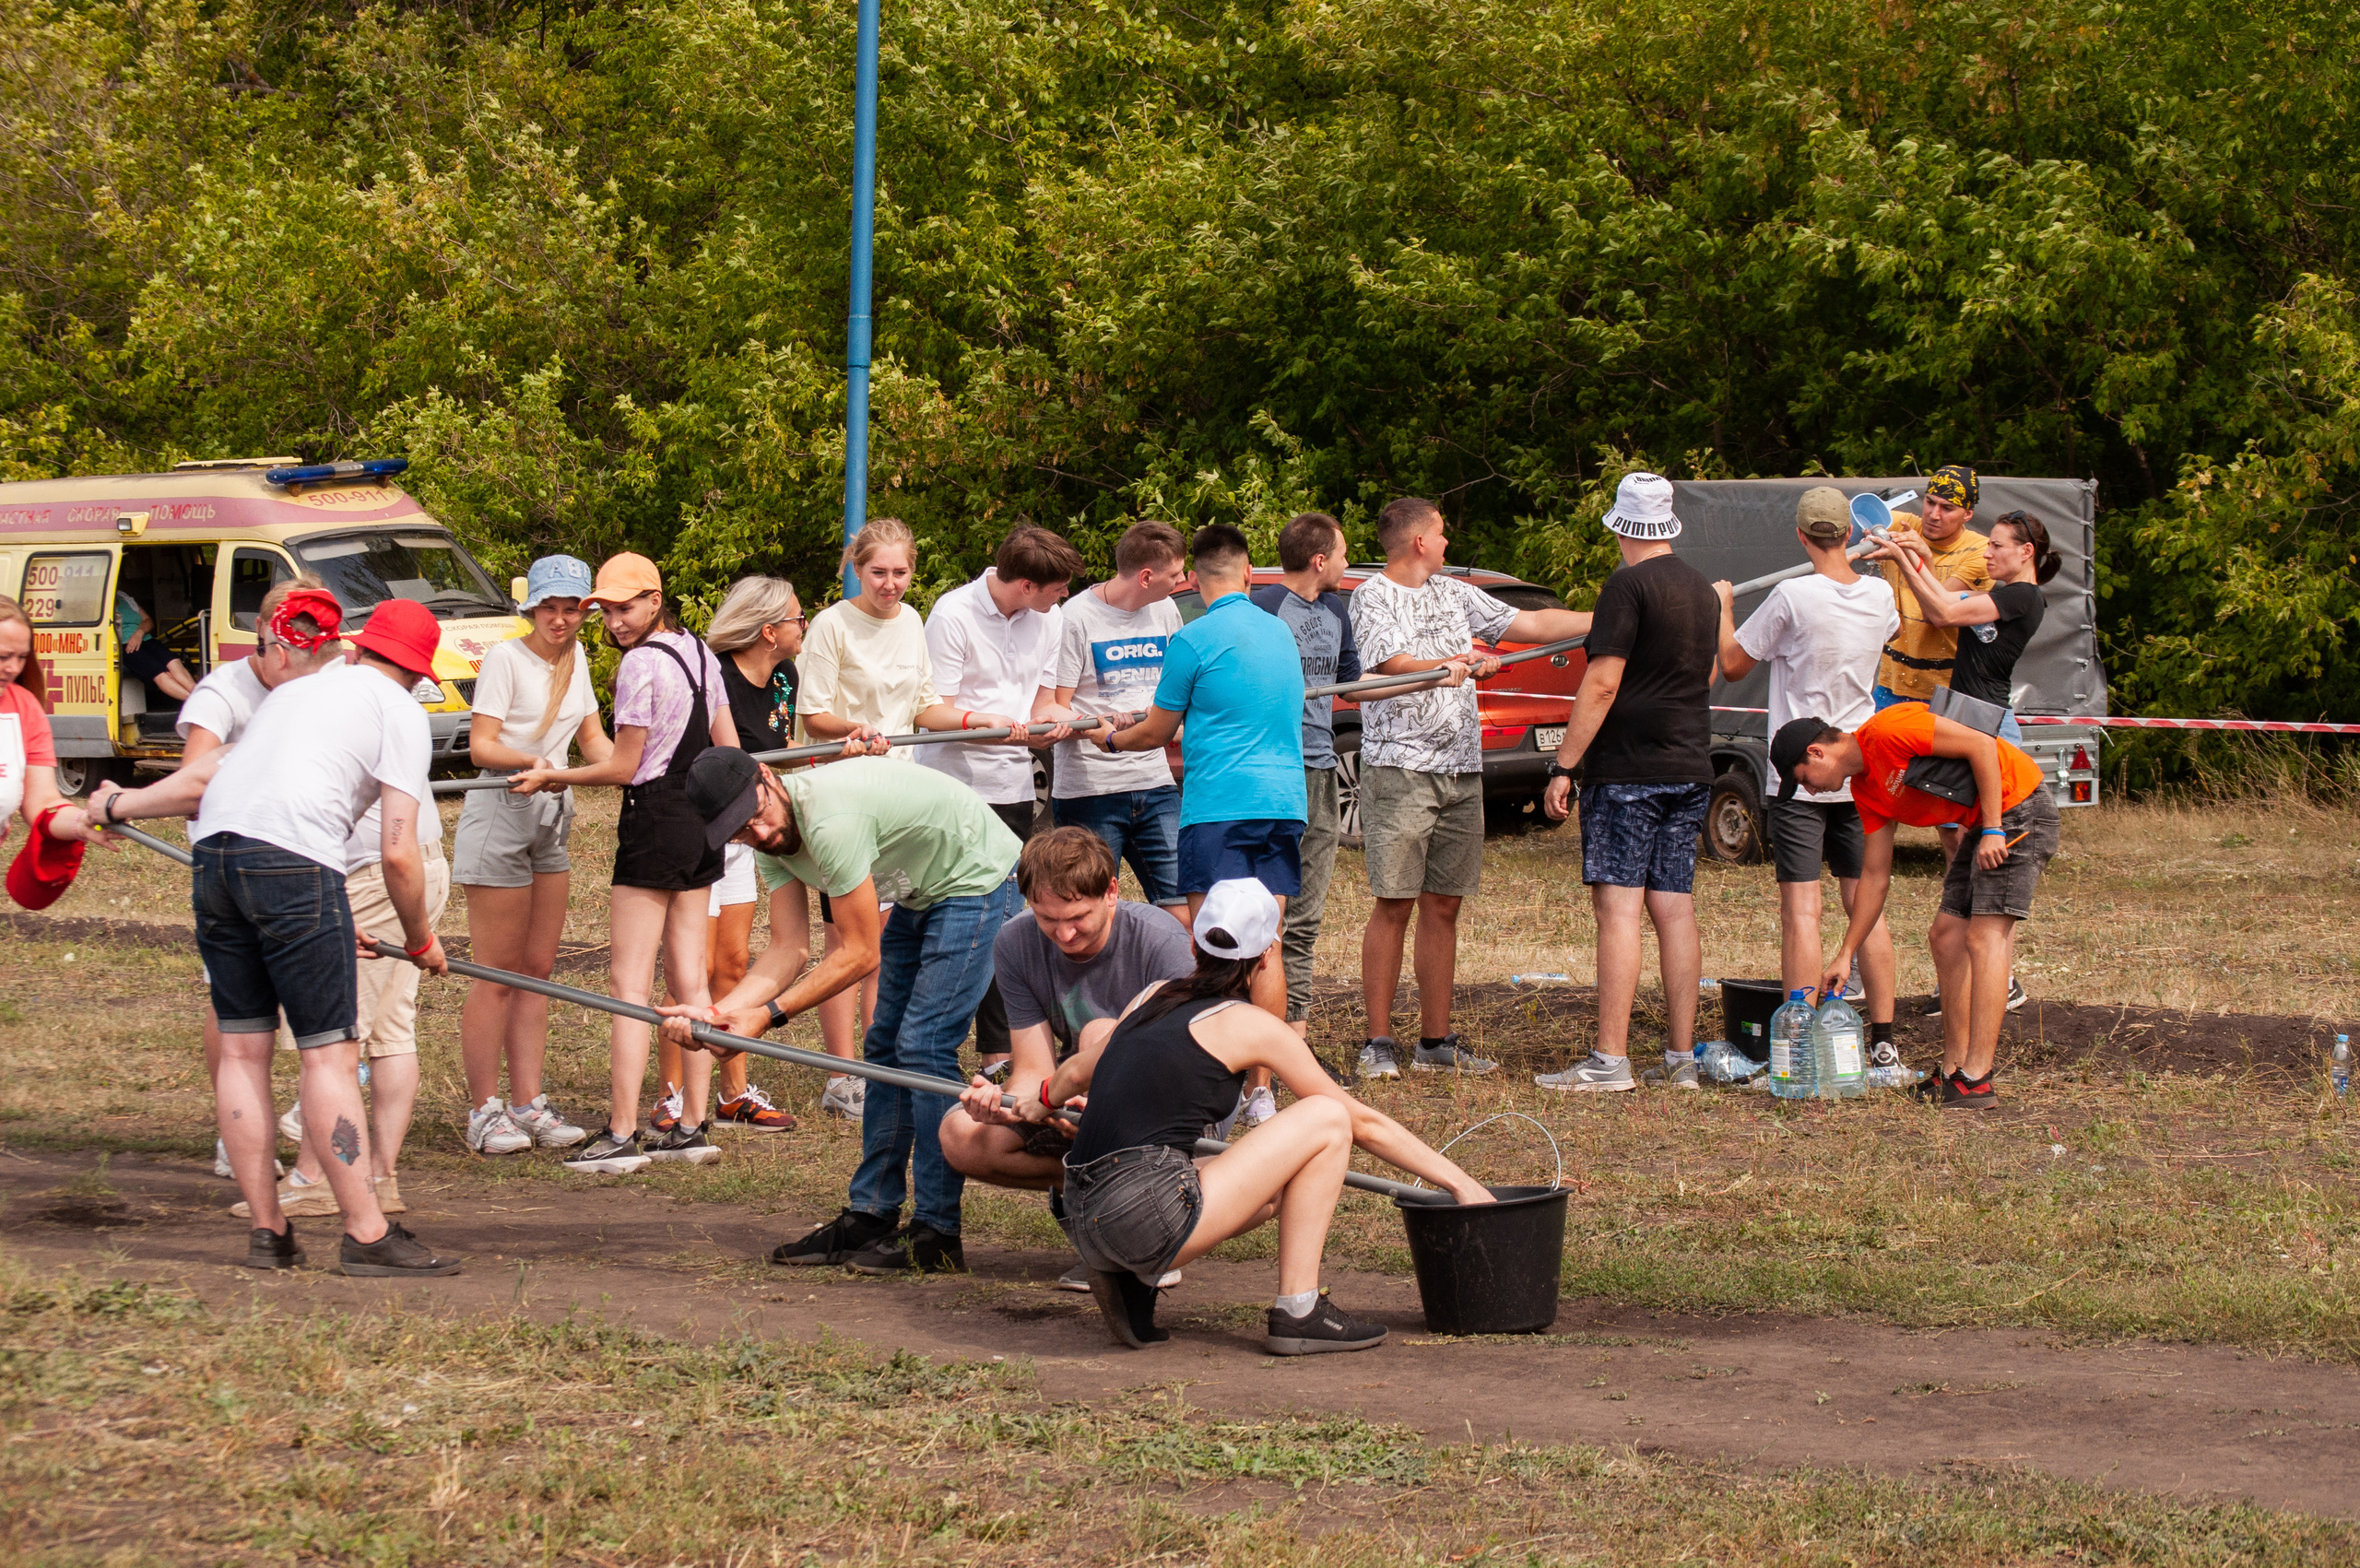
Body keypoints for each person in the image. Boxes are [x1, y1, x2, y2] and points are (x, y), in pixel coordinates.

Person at [1044, 878, 1493, 1353]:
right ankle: (1299, 1310)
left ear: (1194, 943)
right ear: (1266, 956)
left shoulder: (1152, 995)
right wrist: (1460, 1183)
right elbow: (1362, 1123)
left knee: (1278, 1184)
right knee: (1327, 1117)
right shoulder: (1250, 1024)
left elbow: (1074, 1072)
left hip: (1082, 1210)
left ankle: (1130, 1279)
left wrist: (1040, 1097)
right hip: (1140, 1212)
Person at [182, 595, 460, 1276]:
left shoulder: (294, 693)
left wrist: (112, 803)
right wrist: (422, 940)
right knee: (327, 1057)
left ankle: (267, 1232)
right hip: (293, 864)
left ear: (359, 648)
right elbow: (398, 852)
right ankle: (366, 1233)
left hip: (217, 857)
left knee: (244, 1053)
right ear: (420, 675)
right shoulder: (400, 712)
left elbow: (216, 782)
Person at [669, 749, 1024, 1274]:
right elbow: (789, 948)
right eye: (739, 832)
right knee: (883, 1047)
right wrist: (715, 1014)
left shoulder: (830, 819)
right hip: (923, 890)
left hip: (978, 876)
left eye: (756, 817)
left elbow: (860, 952)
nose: (759, 835)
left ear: (768, 777)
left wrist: (768, 1015)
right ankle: (872, 1215)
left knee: (923, 1047)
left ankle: (937, 1232)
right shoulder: (770, 840)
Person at [75, 579, 342, 1185]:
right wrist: (128, 804)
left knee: (312, 1014)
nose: (304, 657)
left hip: (307, 859)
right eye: (293, 642)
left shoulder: (322, 678)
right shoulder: (224, 689)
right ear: (269, 638)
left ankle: (307, 1134)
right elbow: (197, 777)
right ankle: (239, 1138)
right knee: (242, 1011)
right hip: (231, 861)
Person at [1348, 497, 1591, 1079]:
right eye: (1440, 534)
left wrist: (1610, 616)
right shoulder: (1373, 595)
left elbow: (1528, 625)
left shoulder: (1454, 592)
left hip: (1462, 768)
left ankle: (1436, 1042)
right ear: (1417, 542)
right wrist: (1451, 661)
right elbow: (1390, 663)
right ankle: (1378, 1042)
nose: (1447, 543)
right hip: (1401, 769)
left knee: (1444, 904)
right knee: (1395, 902)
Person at [793, 518, 1027, 1120]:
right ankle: (842, 1074)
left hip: (898, 797)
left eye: (900, 572)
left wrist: (979, 719)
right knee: (847, 936)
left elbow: (925, 706)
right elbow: (813, 712)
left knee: (889, 935)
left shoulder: (914, 621)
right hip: (839, 793)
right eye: (879, 572)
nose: (891, 583)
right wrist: (854, 731)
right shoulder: (831, 625)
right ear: (857, 568)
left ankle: (883, 1063)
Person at [512, 553, 736, 1175]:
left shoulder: (639, 665)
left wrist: (554, 773)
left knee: (629, 985)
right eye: (605, 610)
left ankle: (621, 1131)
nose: (614, 621)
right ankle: (692, 1122)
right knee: (690, 981)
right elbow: (730, 749)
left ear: (655, 596)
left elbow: (623, 766)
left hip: (656, 815)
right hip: (702, 818)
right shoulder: (698, 650)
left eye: (625, 606)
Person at [1102, 525, 1305, 1125]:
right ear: (1248, 573)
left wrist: (1109, 737)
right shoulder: (1282, 633)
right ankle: (1260, 1091)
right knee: (1265, 943)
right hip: (1283, 803)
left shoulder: (1190, 639)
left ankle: (1214, 1078)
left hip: (1217, 807)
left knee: (1213, 944)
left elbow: (1156, 731)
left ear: (1193, 580)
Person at [941, 827, 1195, 1288]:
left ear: (1112, 891)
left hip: (1171, 1111)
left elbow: (1188, 1069)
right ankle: (1107, 1208)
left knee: (1099, 1035)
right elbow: (1034, 1069)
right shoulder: (1015, 942)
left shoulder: (1163, 942)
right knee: (959, 1131)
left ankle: (1139, 1229)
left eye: (1077, 916)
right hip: (1081, 1102)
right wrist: (1000, 1108)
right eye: (1046, 919)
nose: (1064, 933)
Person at [1776, 702, 2060, 1109]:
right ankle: (1952, 1069)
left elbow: (1981, 746)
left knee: (1984, 937)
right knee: (1945, 937)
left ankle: (1977, 1076)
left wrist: (1995, 828)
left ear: (1817, 752)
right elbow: (1874, 877)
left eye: (1802, 779)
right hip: (1982, 823)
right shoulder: (1865, 790)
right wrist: (1846, 953)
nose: (1809, 790)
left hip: (2018, 809)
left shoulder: (1888, 729)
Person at [1536, 473, 1719, 1093]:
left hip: (1630, 770)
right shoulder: (1702, 589)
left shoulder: (1626, 585)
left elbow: (1602, 682)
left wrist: (1565, 763)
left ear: (1618, 526)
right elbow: (1707, 677)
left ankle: (1609, 1060)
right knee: (1674, 906)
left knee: (1617, 906)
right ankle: (1681, 1057)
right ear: (1670, 525)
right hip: (1690, 763)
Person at [1711, 487, 1903, 1071]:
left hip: (1797, 771)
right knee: (1863, 904)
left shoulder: (1790, 595)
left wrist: (1723, 608)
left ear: (1799, 537)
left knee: (1802, 908)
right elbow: (1887, 634)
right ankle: (1884, 1041)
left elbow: (1734, 662)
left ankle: (1798, 1039)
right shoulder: (1880, 595)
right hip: (1857, 765)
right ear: (1847, 534)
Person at [452, 555, 608, 1157]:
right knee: (497, 970)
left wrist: (636, 760)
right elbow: (480, 746)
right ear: (532, 608)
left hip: (553, 815)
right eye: (552, 607)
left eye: (572, 609)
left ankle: (528, 1102)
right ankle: (484, 1110)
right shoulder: (505, 658)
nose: (562, 619)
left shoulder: (577, 660)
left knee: (538, 967)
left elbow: (593, 739)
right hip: (504, 809)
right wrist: (534, 765)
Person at [919, 525, 1085, 1081]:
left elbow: (1042, 698)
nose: (1062, 599)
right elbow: (930, 711)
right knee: (961, 924)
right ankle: (938, 1043)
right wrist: (980, 722)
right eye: (1056, 589)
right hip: (952, 789)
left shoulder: (1050, 618)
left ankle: (1000, 1052)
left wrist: (1050, 723)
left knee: (1014, 923)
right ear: (1023, 584)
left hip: (1015, 785)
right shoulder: (952, 614)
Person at [690, 574, 808, 1134]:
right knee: (694, 966)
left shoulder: (785, 674)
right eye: (796, 619)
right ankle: (674, 1096)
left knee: (734, 964)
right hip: (707, 832)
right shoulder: (715, 677)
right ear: (768, 630)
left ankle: (732, 1094)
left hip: (752, 831)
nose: (803, 627)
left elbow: (781, 750)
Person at [1250, 513, 1362, 1057]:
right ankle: (1250, 1040)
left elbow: (1354, 687)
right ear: (1320, 559)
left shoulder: (1336, 609)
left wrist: (1444, 669)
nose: (1346, 562)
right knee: (1263, 911)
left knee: (1306, 912)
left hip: (1320, 770)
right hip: (1272, 773)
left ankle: (1295, 1040)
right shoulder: (1263, 608)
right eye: (1342, 553)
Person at [1049, 520, 1191, 919]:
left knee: (1184, 911)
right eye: (1175, 574)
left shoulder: (1165, 612)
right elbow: (1054, 706)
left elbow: (1173, 691)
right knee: (1089, 914)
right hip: (1089, 792)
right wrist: (1096, 725)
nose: (1181, 581)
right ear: (1146, 577)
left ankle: (1172, 984)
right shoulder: (1074, 617)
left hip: (1155, 783)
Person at [1872, 510, 2060, 744]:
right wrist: (1914, 554)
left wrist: (1900, 560)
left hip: (1987, 719)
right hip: (1971, 715)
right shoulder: (2004, 595)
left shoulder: (2023, 596)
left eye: (1996, 546)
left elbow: (1942, 615)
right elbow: (1942, 595)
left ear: (2027, 551)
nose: (1987, 554)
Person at [1872, 465, 1992, 708]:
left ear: (1967, 515)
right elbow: (1839, 513)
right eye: (1930, 502)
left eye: (1947, 508)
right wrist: (1865, 512)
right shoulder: (1905, 524)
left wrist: (1923, 558)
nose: (1934, 514)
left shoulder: (1981, 551)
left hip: (1944, 690)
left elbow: (1937, 612)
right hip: (1889, 682)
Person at [114, 589, 196, 702]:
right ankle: (197, 702)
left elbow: (148, 620)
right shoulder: (102, 604)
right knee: (160, 673)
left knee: (174, 662)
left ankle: (198, 695)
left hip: (146, 639)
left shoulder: (125, 598)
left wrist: (139, 633)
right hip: (126, 646)